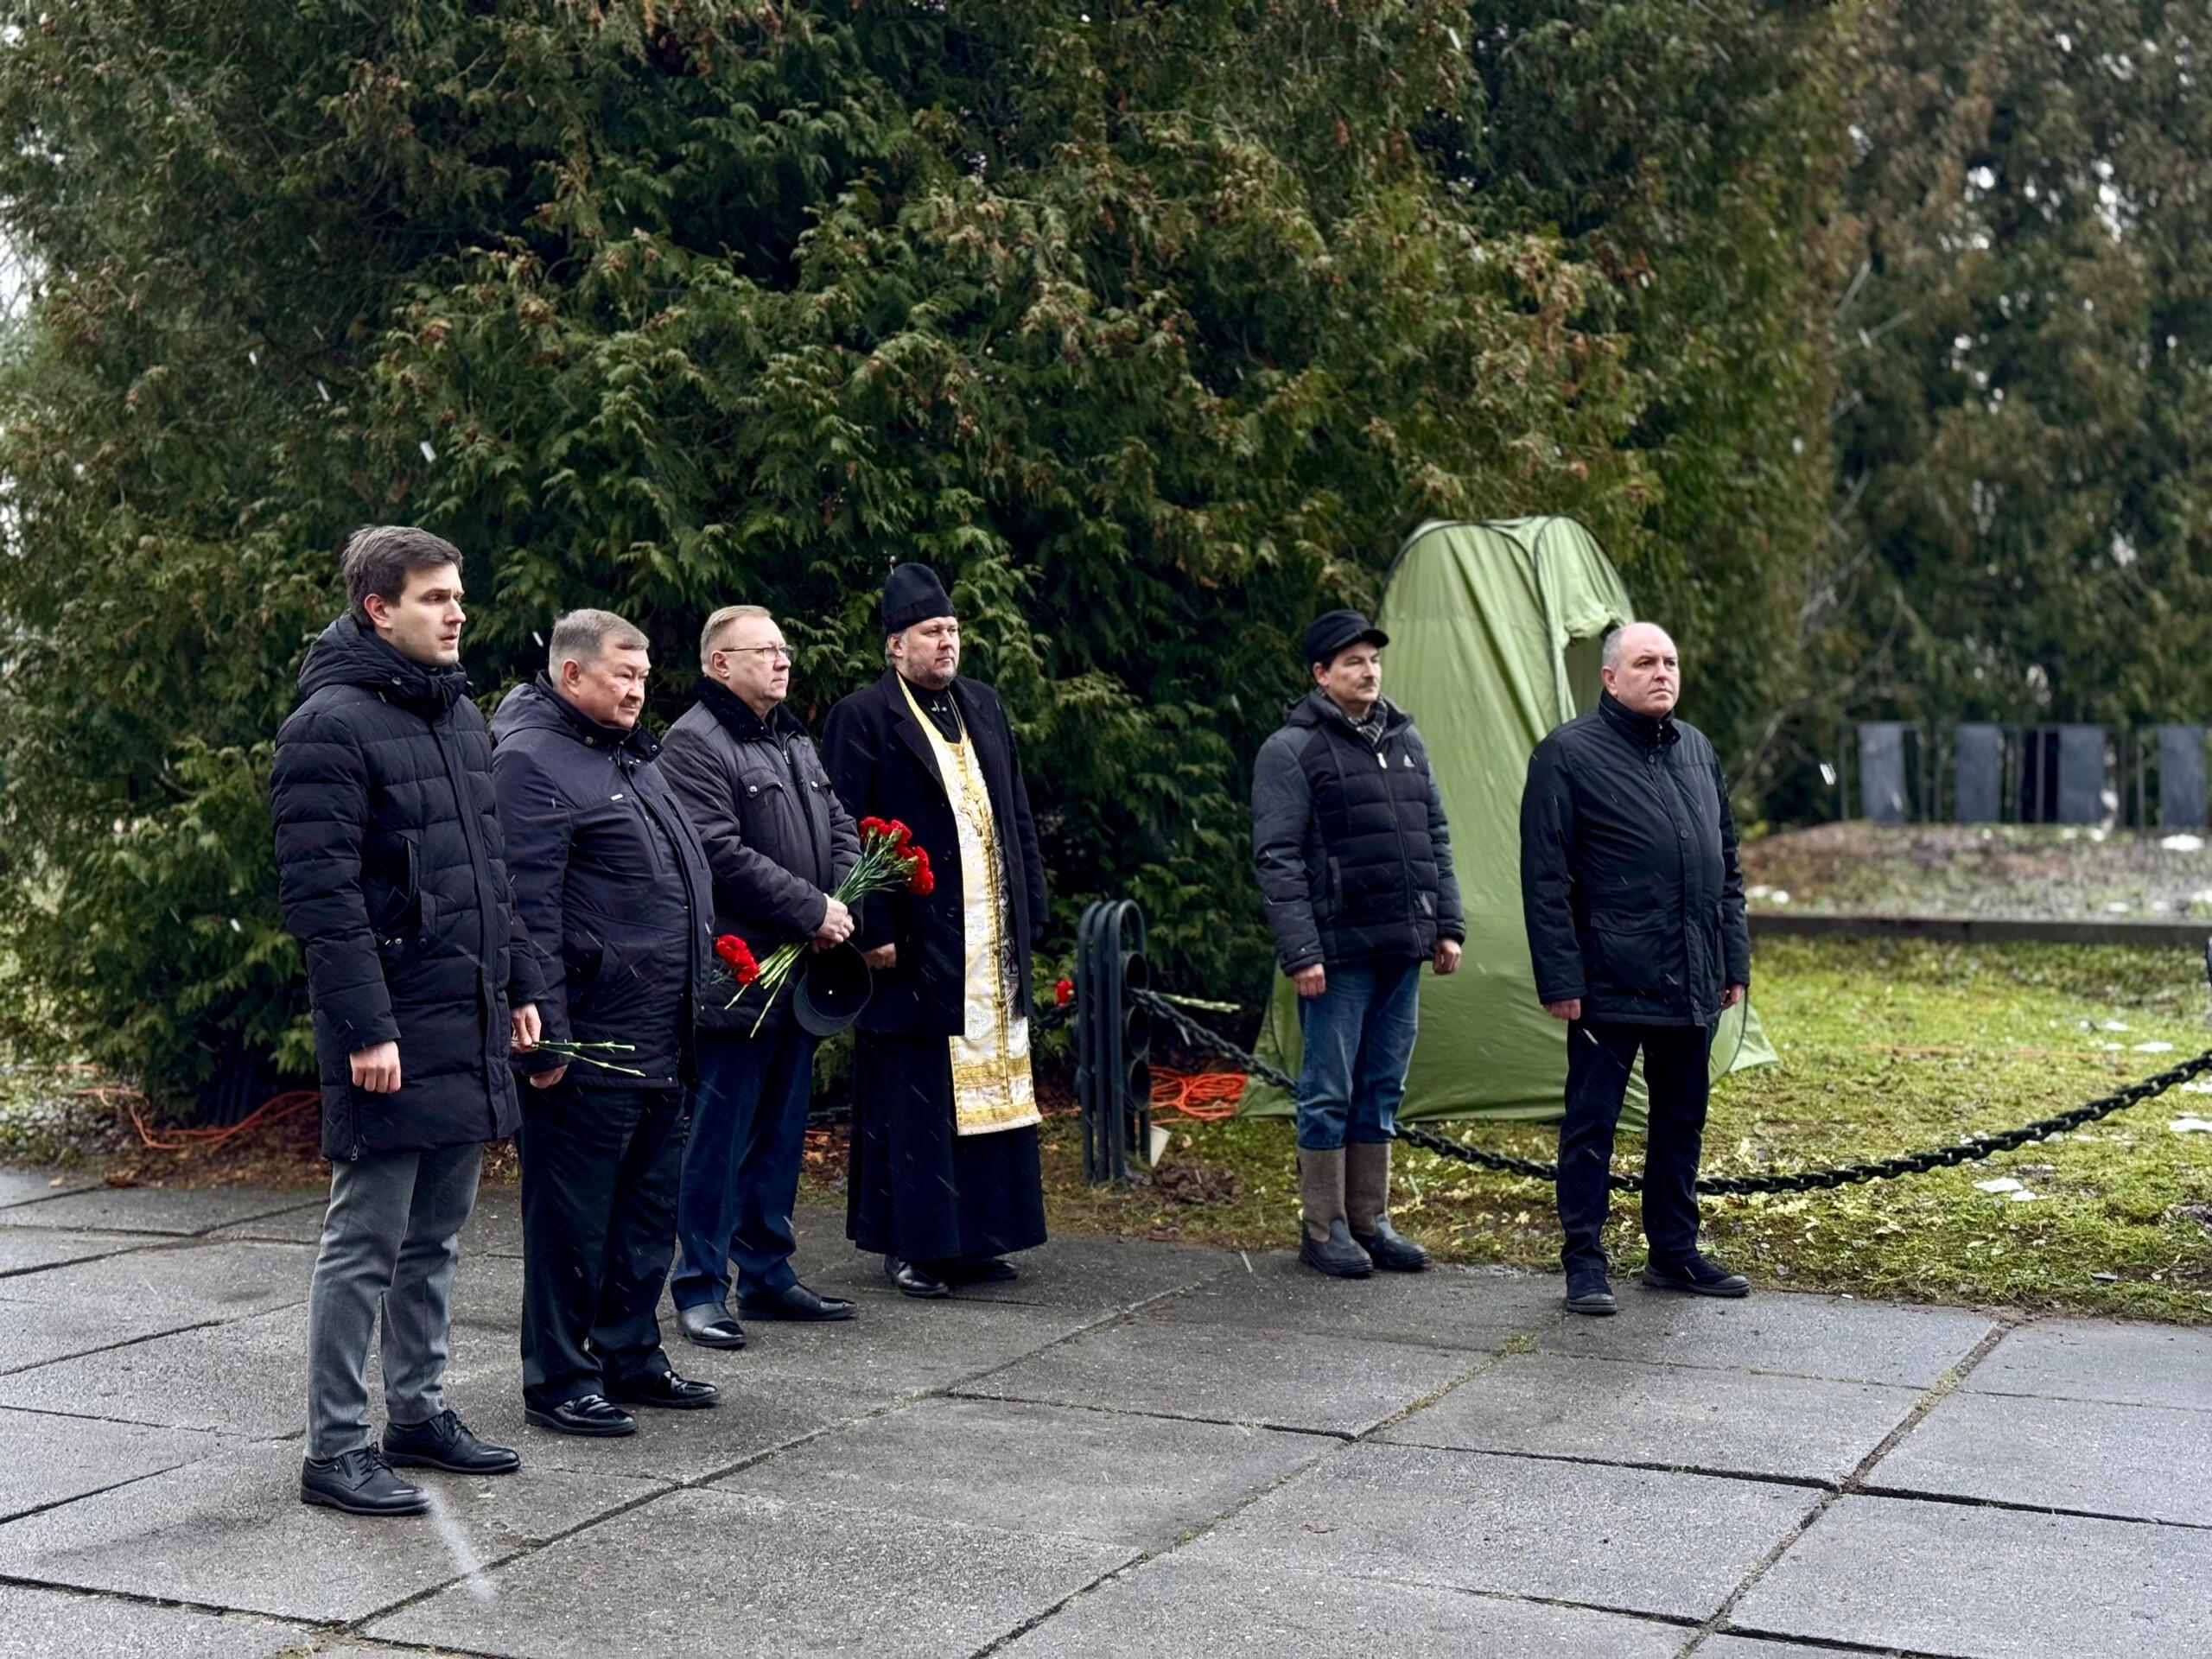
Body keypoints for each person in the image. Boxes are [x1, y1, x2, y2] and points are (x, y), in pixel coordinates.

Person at [272, 524, 543, 1516]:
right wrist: (365, 1030)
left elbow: (490, 873)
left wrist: (520, 986)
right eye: (435, 597)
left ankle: (418, 1415)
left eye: (458, 595)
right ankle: (335, 1450)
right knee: (365, 1245)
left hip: (465, 1015)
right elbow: (323, 900)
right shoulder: (326, 727)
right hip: (389, 1027)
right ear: (378, 609)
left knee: (436, 1237)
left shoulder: (459, 714)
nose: (456, 612)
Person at [493, 609, 720, 1433]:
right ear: (572, 674)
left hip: (660, 1032)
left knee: (646, 1213)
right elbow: (525, 908)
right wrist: (545, 1036)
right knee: (572, 1221)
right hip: (589, 1039)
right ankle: (559, 1378)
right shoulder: (530, 760)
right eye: (623, 675)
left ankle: (630, 1353)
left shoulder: (626, 753)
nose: (637, 691)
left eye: (643, 676)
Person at [822, 563, 1049, 1299]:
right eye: (931, 632)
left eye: (952, 630)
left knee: (993, 1091)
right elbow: (845, 828)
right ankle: (914, 1243)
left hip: (990, 936)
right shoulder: (863, 717)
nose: (947, 642)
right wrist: (870, 925)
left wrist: (1031, 907)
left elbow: (1014, 812)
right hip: (915, 940)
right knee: (916, 1093)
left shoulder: (982, 704)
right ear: (896, 645)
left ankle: (980, 1237)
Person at [1519, 620, 1752, 1316]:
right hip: (1607, 978)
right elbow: (1545, 879)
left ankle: (1673, 1252)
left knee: (1681, 1122)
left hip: (1692, 972)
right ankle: (1584, 1261)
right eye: (1646, 662)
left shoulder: (1696, 749)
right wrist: (1561, 979)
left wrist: (1732, 959)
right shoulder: (1566, 754)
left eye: (1670, 662)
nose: (1662, 673)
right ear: (1610, 678)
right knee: (1592, 1126)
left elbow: (1727, 866)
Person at [658, 605, 861, 1347]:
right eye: (765, 651)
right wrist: (811, 908)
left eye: (784, 649)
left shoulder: (791, 736)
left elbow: (839, 823)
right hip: (737, 972)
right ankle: (700, 1286)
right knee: (719, 1138)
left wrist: (842, 897)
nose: (782, 661)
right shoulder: (694, 743)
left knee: (780, 1131)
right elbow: (717, 852)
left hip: (799, 970)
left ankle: (768, 1272)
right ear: (720, 664)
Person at [1251, 608, 1465, 1278]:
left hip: (1402, 943)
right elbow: (1278, 858)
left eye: (1373, 660)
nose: (1369, 671)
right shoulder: (1291, 750)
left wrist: (1447, 924)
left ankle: (1370, 1220)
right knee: (1328, 1090)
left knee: (1382, 1086)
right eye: (1353, 662)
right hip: (1336, 955)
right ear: (1321, 674)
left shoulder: (1405, 739)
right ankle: (1325, 1227)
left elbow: (1435, 836)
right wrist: (1302, 951)